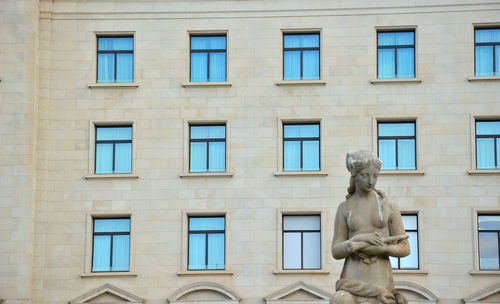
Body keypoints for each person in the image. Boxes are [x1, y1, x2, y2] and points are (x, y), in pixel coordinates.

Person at [331, 151, 410, 304]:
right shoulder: (344, 207)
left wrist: (382, 249)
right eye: (365, 175)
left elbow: (405, 247)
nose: (370, 181)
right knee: (340, 300)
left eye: (375, 176)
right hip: (351, 282)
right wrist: (357, 241)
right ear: (355, 176)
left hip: (382, 280)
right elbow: (336, 250)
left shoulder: (388, 205)